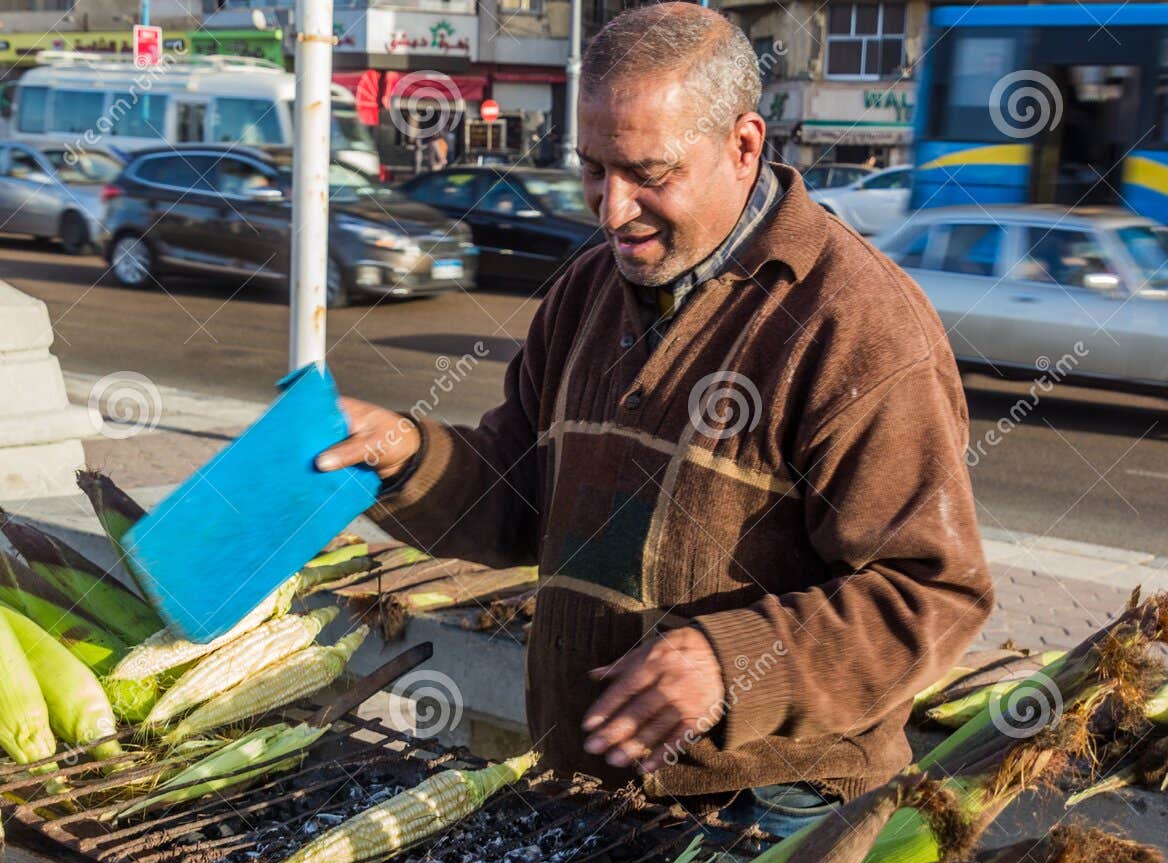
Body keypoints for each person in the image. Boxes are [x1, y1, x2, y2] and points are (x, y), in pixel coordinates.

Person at [319, 3, 992, 805]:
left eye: (650, 174)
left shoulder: (856, 323)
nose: (610, 209)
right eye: (594, 168)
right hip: (585, 791)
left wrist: (727, 662)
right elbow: (520, 497)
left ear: (744, 147)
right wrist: (406, 454)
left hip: (769, 816)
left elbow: (932, 596)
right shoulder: (586, 289)